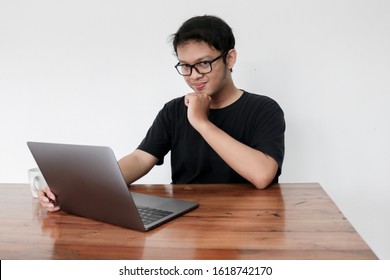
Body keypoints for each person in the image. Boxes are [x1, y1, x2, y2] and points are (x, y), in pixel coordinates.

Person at [39, 15, 285, 212]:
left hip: (250, 220)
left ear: (229, 58)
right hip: (188, 218)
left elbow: (262, 175)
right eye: (185, 66)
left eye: (203, 63)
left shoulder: (264, 109)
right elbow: (139, 159)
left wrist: (201, 122)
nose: (194, 75)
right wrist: (76, 190)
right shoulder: (174, 110)